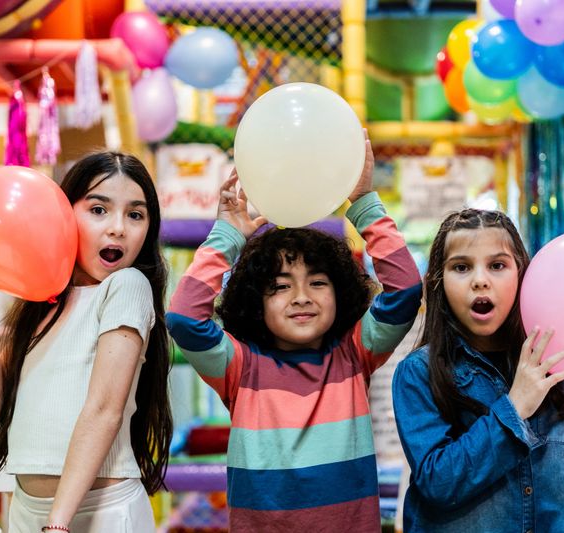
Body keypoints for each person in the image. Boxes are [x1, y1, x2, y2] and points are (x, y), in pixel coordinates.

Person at [167, 136, 422, 532]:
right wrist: (227, 236)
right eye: (281, 286)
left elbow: (405, 291)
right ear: (257, 300)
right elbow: (183, 318)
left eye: (317, 282)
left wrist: (365, 201)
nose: (301, 297)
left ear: (340, 292)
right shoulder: (240, 367)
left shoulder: (354, 354)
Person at [392, 208, 564, 532]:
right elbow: (438, 484)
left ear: (523, 276)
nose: (480, 280)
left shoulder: (555, 366)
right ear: (438, 281)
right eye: (462, 267)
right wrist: (514, 408)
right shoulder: (418, 374)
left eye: (497, 265)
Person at [0, 152, 173, 533]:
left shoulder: (127, 287)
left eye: (135, 215)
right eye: (98, 210)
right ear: (63, 215)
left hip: (98, 514)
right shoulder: (42, 304)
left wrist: (57, 523)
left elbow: (104, 409)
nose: (117, 228)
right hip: (28, 510)